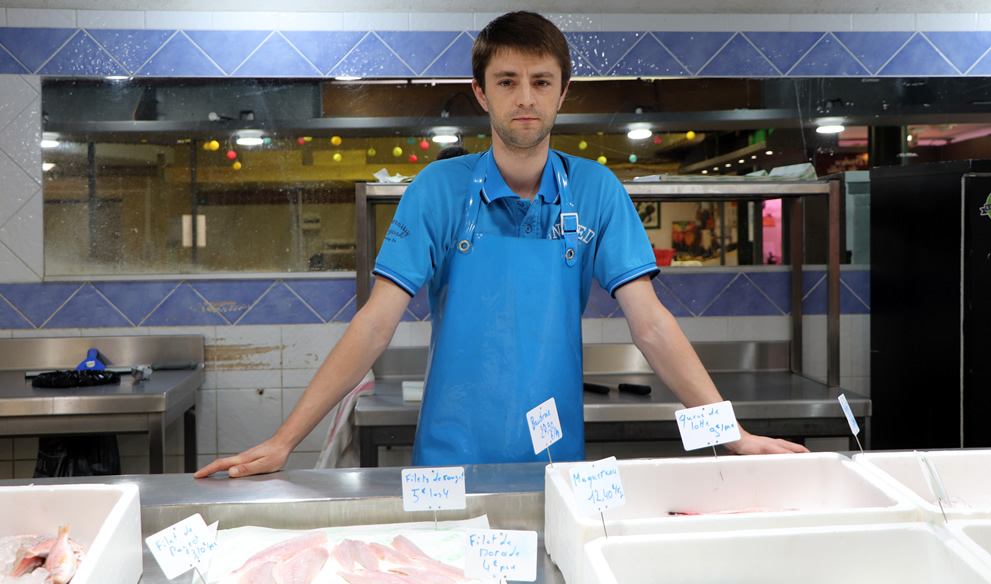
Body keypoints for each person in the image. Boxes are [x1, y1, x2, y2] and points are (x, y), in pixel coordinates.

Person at [195, 11, 805, 478]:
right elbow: (375, 324)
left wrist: (731, 436)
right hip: (445, 465)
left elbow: (652, 328)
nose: (525, 97)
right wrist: (284, 441)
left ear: (563, 93)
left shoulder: (596, 190)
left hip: (557, 464)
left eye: (541, 82)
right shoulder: (437, 190)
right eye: (508, 81)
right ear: (481, 93)